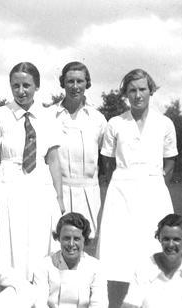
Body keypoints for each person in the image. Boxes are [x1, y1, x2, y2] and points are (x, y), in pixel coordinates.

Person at [96, 69, 178, 307]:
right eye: (132, 90)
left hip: (154, 191)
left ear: (150, 90)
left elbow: (170, 160)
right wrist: (124, 181)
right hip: (121, 191)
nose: (138, 95)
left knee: (153, 247)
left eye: (142, 89)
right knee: (119, 253)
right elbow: (107, 162)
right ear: (125, 94)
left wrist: (154, 183)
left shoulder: (165, 123)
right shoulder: (115, 123)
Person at [0, 62, 65, 280]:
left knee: (39, 242)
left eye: (26, 85)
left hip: (40, 184)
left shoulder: (49, 116)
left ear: (37, 86)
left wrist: (59, 197)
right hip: (9, 184)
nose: (21, 91)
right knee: (12, 243)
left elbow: (54, 161)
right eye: (15, 86)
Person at [51, 62, 107, 239]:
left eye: (80, 81)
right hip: (57, 192)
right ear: (63, 83)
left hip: (89, 192)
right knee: (56, 242)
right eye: (70, 81)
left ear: (87, 84)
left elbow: (106, 158)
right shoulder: (49, 116)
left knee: (87, 242)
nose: (75, 86)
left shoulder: (98, 119)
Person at [33, 212, 108, 308]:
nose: (71, 244)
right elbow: (39, 303)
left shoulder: (96, 267)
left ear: (84, 240)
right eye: (66, 238)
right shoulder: (45, 265)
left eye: (76, 239)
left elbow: (99, 304)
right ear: (59, 238)